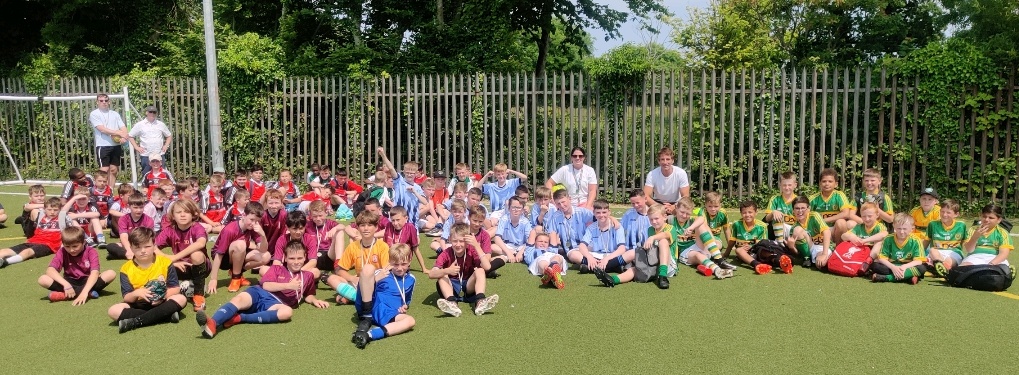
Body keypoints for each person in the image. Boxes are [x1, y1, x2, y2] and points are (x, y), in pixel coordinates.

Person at [196, 240, 329, 339]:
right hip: (259, 293)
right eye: (292, 258)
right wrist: (288, 285)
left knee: (287, 312)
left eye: (300, 258)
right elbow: (266, 286)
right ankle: (213, 323)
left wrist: (314, 300)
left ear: (305, 258)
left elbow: (307, 294)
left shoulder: (308, 275)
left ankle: (240, 318)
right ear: (285, 258)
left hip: (276, 304)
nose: (296, 261)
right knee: (239, 299)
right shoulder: (277, 269)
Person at [107, 227, 186, 333]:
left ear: (154, 246)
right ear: (131, 248)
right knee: (113, 311)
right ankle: (165, 316)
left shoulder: (165, 262)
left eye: (147, 246)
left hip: (162, 301)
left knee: (181, 298)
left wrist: (162, 296)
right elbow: (127, 297)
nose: (143, 251)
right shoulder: (126, 269)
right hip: (139, 304)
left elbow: (175, 288)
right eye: (138, 247)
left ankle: (135, 322)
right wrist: (136, 293)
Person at [593, 203, 676, 289]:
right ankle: (612, 279)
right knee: (634, 268)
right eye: (651, 219)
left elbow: (665, 235)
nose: (654, 222)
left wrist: (652, 238)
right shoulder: (650, 229)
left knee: (663, 241)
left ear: (665, 217)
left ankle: (663, 277)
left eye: (656, 218)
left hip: (668, 266)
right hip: (654, 263)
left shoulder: (671, 228)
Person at [351, 243, 417, 349]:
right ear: (390, 261)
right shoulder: (382, 273)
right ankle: (366, 318)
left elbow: (406, 301)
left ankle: (369, 335)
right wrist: (376, 279)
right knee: (368, 268)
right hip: (368, 306)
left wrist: (404, 307)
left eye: (403, 264)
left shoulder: (411, 279)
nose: (400, 268)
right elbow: (362, 287)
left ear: (409, 261)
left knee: (410, 321)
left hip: (388, 313)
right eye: (395, 264)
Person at [429, 223, 499, 317]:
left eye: (462, 241)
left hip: (467, 286)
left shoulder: (471, 251)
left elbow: (487, 267)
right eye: (454, 241)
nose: (458, 245)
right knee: (442, 275)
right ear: (449, 239)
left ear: (467, 241)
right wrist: (447, 271)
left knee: (480, 270)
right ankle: (452, 304)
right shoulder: (445, 253)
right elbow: (431, 274)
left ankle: (480, 302)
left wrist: (476, 246)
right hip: (451, 287)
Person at [155, 199, 211, 311]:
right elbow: (152, 247)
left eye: (186, 212)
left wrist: (175, 257)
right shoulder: (169, 230)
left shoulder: (197, 227)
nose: (182, 215)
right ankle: (163, 295)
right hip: (179, 266)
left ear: (193, 214)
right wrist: (171, 261)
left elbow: (201, 243)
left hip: (199, 266)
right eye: (178, 212)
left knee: (196, 254)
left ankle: (198, 295)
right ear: (173, 216)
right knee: (154, 261)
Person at [38, 226, 116, 304]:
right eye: (67, 246)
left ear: (84, 242)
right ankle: (88, 293)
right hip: (69, 282)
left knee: (111, 274)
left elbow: (94, 273)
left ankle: (66, 295)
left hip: (88, 281)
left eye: (75, 246)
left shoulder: (91, 251)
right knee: (43, 279)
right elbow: (50, 270)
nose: (71, 250)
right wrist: (66, 285)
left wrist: (84, 292)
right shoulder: (62, 251)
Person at [206, 202, 270, 293]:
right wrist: (213, 279)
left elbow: (263, 250)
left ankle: (236, 273)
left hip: (239, 254)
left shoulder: (254, 228)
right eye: (251, 219)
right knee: (240, 244)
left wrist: (263, 235)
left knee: (266, 256)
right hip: (224, 259)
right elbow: (219, 254)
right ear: (243, 215)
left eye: (257, 221)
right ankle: (236, 279)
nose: (253, 223)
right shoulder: (230, 229)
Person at [568, 200, 631, 274]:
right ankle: (612, 267)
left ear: (609, 212)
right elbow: (582, 246)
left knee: (629, 254)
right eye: (598, 213)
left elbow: (621, 249)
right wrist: (589, 257)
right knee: (573, 254)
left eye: (604, 212)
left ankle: (591, 267)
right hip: (596, 255)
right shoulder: (591, 228)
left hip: (612, 255)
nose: (601, 215)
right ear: (594, 213)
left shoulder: (617, 226)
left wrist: (607, 259)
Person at [0, 197, 64, 268]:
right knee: (4, 251)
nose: (52, 212)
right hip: (33, 241)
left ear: (60, 210)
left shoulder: (62, 218)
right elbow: (27, 207)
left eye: (55, 210)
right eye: (49, 209)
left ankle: (5, 262)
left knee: (27, 252)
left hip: (48, 245)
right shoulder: (41, 216)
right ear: (44, 209)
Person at [729, 200, 788, 274]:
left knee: (765, 252)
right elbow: (732, 241)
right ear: (741, 213)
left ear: (756, 212)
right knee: (738, 250)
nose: (747, 215)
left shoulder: (762, 226)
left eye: (750, 212)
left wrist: (751, 246)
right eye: (744, 213)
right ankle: (757, 265)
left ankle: (780, 262)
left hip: (757, 249)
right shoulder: (736, 224)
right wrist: (726, 254)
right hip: (744, 253)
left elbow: (763, 243)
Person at [871, 213, 926, 284]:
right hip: (892, 265)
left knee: (922, 268)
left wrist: (905, 267)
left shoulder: (916, 240)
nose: (901, 232)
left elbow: (918, 261)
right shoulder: (888, 239)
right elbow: (882, 258)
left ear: (912, 229)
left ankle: (887, 278)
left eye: (905, 229)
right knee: (875, 266)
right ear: (894, 226)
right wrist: (893, 268)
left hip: (908, 266)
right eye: (899, 228)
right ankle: (908, 277)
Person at [959, 203, 1013, 271]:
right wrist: (975, 237)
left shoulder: (1003, 233)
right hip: (975, 257)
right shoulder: (973, 230)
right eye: (984, 216)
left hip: (994, 259)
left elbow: (1003, 254)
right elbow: (969, 250)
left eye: (991, 218)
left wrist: (990, 265)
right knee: (962, 268)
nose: (986, 220)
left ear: (999, 220)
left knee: (1000, 270)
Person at [89, 93, 129, 183]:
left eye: (106, 100)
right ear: (97, 102)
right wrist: (118, 132)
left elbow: (123, 127)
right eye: (101, 101)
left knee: (114, 169)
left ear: (109, 102)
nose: (104, 102)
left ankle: (110, 191)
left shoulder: (115, 114)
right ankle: (100, 191)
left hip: (116, 145)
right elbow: (102, 129)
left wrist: (124, 137)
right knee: (104, 170)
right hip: (103, 145)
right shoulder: (94, 114)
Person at [809, 168, 856, 242]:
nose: (827, 184)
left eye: (830, 181)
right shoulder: (813, 198)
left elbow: (846, 214)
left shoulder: (839, 195)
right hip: (820, 230)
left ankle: (838, 249)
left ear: (836, 184)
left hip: (835, 230)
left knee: (841, 222)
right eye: (824, 181)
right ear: (820, 183)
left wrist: (824, 220)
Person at [545, 189, 595, 258]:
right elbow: (552, 233)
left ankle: (587, 263)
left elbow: (598, 217)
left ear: (569, 199)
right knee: (573, 256)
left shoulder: (581, 212)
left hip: (586, 245)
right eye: (558, 204)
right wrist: (553, 250)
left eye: (563, 202)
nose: (562, 205)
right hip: (571, 249)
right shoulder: (555, 217)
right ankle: (589, 263)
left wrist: (611, 218)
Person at [642, 147, 690, 215]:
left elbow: (685, 196)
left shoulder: (681, 173)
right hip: (657, 203)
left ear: (672, 161)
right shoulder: (652, 174)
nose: (665, 162)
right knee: (642, 209)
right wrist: (660, 207)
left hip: (676, 203)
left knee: (685, 208)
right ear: (659, 161)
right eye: (662, 159)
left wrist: (674, 206)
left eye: (668, 159)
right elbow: (646, 195)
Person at [787, 196, 833, 269]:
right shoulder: (794, 228)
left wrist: (824, 254)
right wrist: (791, 247)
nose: (800, 211)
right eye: (797, 208)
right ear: (793, 211)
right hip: (810, 249)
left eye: (803, 208)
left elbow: (827, 232)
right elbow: (798, 253)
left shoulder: (814, 216)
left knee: (821, 264)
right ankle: (807, 259)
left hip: (822, 247)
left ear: (808, 209)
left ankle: (828, 258)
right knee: (797, 230)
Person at [106, 192, 154, 260]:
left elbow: (148, 238)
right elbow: (124, 236)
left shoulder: (149, 220)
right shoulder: (123, 219)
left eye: (141, 207)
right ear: (129, 206)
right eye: (135, 207)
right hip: (128, 244)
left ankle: (121, 255)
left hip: (142, 245)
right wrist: (129, 250)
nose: (139, 210)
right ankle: (132, 255)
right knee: (110, 246)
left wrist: (137, 248)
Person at [926, 199, 967, 276]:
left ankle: (937, 268)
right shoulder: (932, 224)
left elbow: (966, 243)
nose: (944, 214)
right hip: (937, 253)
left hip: (953, 252)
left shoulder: (961, 225)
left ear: (956, 214)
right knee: (932, 250)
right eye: (942, 211)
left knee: (948, 262)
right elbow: (926, 242)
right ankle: (941, 268)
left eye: (948, 212)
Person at [128, 106, 172, 176]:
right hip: (146, 155)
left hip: (159, 154)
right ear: (146, 113)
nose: (152, 114)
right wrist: (136, 147)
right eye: (150, 112)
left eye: (154, 112)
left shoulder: (160, 124)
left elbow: (169, 135)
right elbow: (130, 136)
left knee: (161, 174)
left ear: (156, 113)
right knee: (146, 175)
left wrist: (166, 145)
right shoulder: (140, 124)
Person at [381, 206, 427, 272]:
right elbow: (384, 247)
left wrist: (424, 268)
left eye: (398, 220)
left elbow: (415, 248)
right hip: (389, 261)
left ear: (406, 218)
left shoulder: (410, 227)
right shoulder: (389, 225)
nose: (395, 223)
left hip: (402, 262)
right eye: (393, 220)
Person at [492, 197, 532, 263]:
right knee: (492, 247)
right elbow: (497, 238)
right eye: (513, 207)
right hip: (508, 246)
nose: (516, 210)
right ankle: (514, 255)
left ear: (522, 210)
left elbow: (529, 240)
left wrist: (520, 252)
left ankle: (513, 256)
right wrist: (508, 252)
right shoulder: (504, 219)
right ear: (509, 208)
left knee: (531, 247)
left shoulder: (525, 222)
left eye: (519, 208)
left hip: (521, 246)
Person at [764, 171, 798, 241]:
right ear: (780, 185)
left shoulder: (798, 200)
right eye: (784, 185)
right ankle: (780, 244)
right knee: (776, 218)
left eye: (789, 185)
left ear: (795, 185)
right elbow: (766, 219)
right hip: (778, 230)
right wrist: (773, 212)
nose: (787, 187)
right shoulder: (775, 199)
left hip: (794, 229)